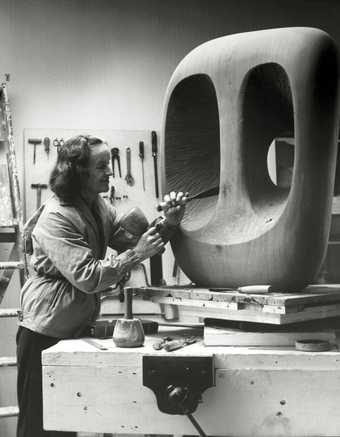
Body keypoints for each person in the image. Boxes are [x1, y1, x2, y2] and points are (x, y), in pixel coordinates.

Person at [16, 134, 187, 437]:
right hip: (43, 334)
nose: (110, 172)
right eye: (102, 166)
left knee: (68, 422)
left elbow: (133, 240)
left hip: (73, 330)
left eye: (109, 164)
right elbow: (90, 277)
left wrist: (169, 222)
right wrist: (137, 254)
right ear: (78, 172)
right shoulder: (57, 217)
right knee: (39, 429)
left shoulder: (96, 205)